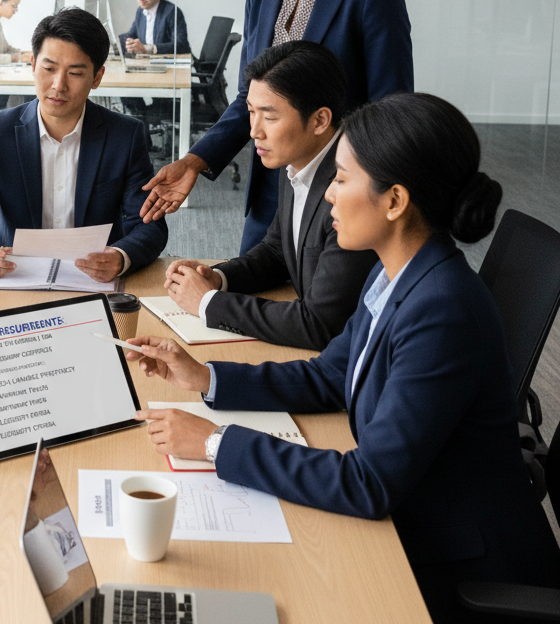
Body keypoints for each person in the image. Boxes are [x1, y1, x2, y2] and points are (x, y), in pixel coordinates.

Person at [130, 92, 560, 624]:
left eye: (341, 178)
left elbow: (369, 483)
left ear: (395, 200)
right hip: (415, 513)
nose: (328, 195)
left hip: (456, 564)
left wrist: (215, 443)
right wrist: (206, 377)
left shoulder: (442, 309)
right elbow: (332, 374)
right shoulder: (395, 270)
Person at [140, 0, 413, 255]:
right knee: (248, 295)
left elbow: (391, 111)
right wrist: (195, 161)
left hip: (338, 194)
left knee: (317, 312)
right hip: (269, 191)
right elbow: (247, 100)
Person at [164, 40, 377, 350]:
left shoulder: (352, 188)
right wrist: (217, 278)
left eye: (270, 117)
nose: (254, 131)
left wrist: (208, 303)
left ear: (320, 120)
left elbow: (320, 324)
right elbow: (279, 251)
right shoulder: (296, 156)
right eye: (251, 112)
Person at [0, 7, 167, 283]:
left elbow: (150, 225)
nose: (58, 85)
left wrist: (121, 257)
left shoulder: (125, 135)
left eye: (74, 73)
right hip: (14, 275)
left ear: (97, 77)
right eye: (49, 69)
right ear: (32, 65)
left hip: (95, 281)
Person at [117, 0, 189, 56]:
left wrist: (146, 49)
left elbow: (181, 45)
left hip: (171, 67)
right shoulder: (140, 11)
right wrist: (108, 42)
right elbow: (131, 35)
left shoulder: (172, 12)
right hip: (150, 63)